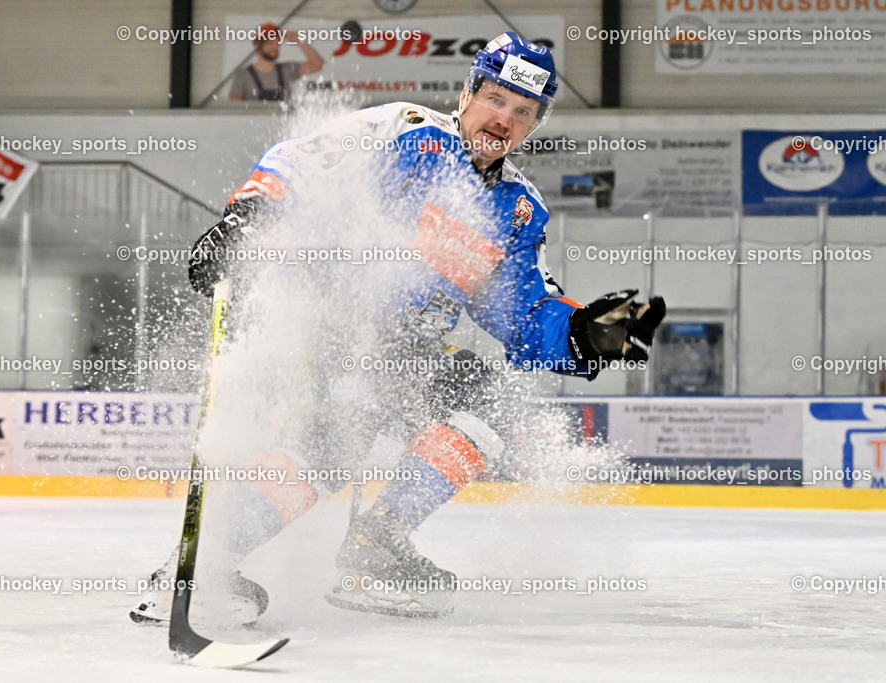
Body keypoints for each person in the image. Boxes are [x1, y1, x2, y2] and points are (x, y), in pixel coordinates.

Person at [132, 32, 665, 625]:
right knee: (333, 442)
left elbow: (522, 312)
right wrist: (250, 220)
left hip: (406, 347)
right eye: (495, 99)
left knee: (484, 404)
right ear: (466, 93)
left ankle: (372, 546)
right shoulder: (407, 131)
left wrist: (584, 332)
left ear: (534, 125)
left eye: (523, 112)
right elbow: (301, 160)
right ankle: (201, 568)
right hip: (327, 318)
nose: (504, 120)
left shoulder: (518, 209)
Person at [228, 22, 324, 102]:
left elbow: (318, 64)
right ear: (258, 45)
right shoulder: (243, 75)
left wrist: (299, 41)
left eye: (277, 43)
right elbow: (233, 108)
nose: (275, 47)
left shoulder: (287, 70)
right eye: (270, 43)